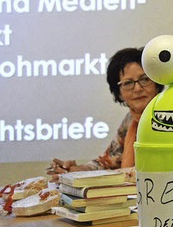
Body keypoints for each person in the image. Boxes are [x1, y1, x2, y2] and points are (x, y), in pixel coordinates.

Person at [47, 47, 163, 182]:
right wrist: (78, 171)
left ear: (157, 82)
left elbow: (152, 171)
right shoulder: (131, 120)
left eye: (144, 79)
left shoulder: (168, 116)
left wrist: (92, 177)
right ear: (119, 92)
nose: (137, 88)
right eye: (128, 83)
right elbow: (109, 161)